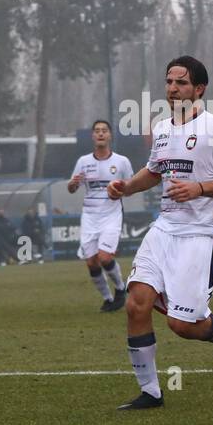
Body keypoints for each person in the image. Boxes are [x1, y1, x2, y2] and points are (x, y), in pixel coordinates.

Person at [107, 56, 213, 410]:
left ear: (199, 90)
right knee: (136, 304)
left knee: (184, 325)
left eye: (181, 83)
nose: (173, 89)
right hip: (164, 229)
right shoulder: (163, 129)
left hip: (199, 234)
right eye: (169, 82)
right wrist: (126, 187)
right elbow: (154, 171)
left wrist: (200, 189)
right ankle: (150, 392)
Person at [68, 120, 135, 312]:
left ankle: (121, 289)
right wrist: (73, 183)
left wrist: (120, 191)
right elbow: (72, 188)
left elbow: (131, 188)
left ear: (110, 135)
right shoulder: (83, 162)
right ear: (92, 136)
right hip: (89, 216)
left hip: (111, 216)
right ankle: (108, 298)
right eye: (97, 131)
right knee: (91, 262)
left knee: (105, 257)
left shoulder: (122, 162)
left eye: (104, 131)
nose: (100, 134)